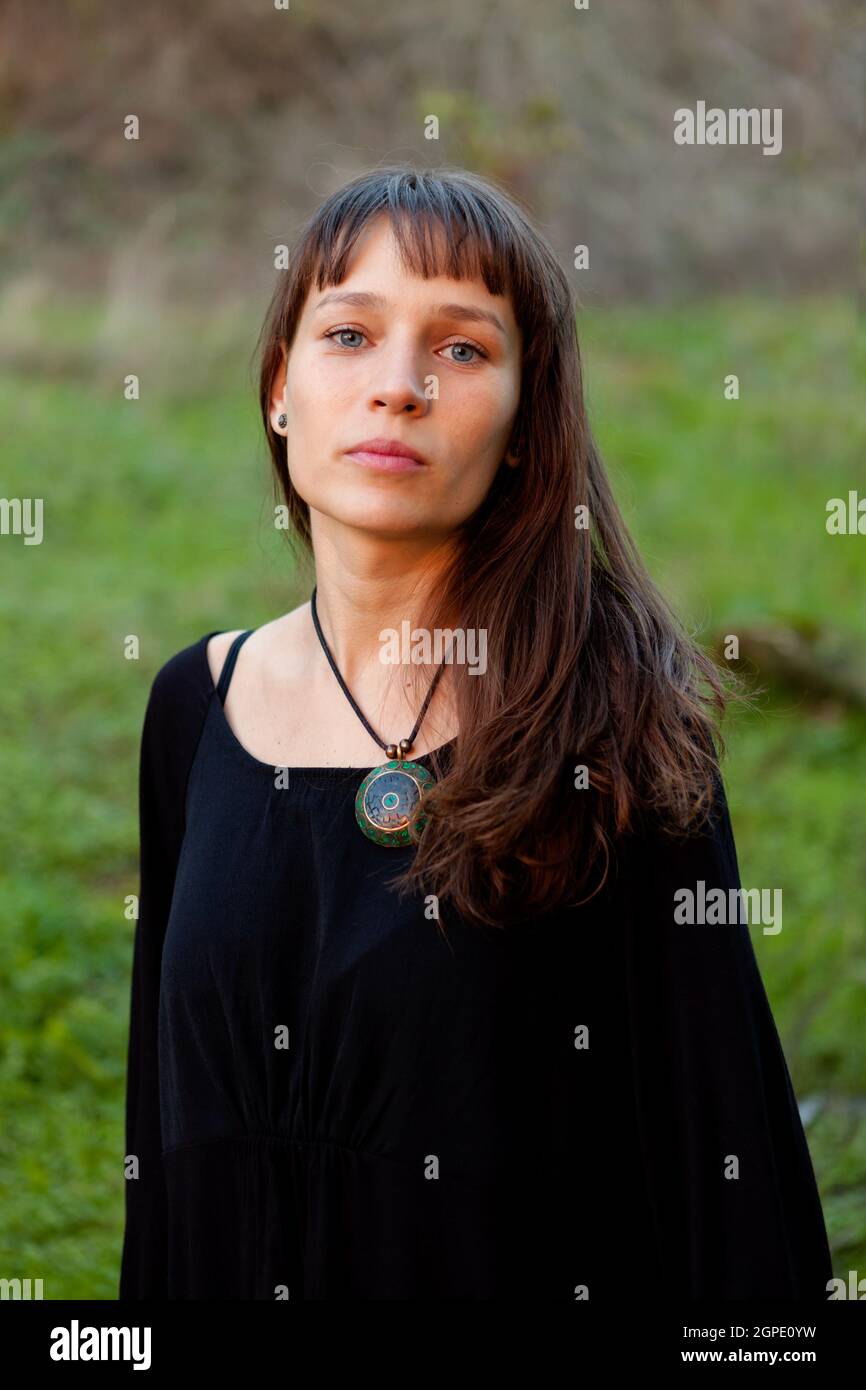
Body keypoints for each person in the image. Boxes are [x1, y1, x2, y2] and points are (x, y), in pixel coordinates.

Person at [119, 164, 832, 1300]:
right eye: (348, 333)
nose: (396, 386)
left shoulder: (611, 717)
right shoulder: (193, 706)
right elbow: (154, 1148)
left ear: (518, 425)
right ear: (277, 388)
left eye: (461, 349)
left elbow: (717, 1155)